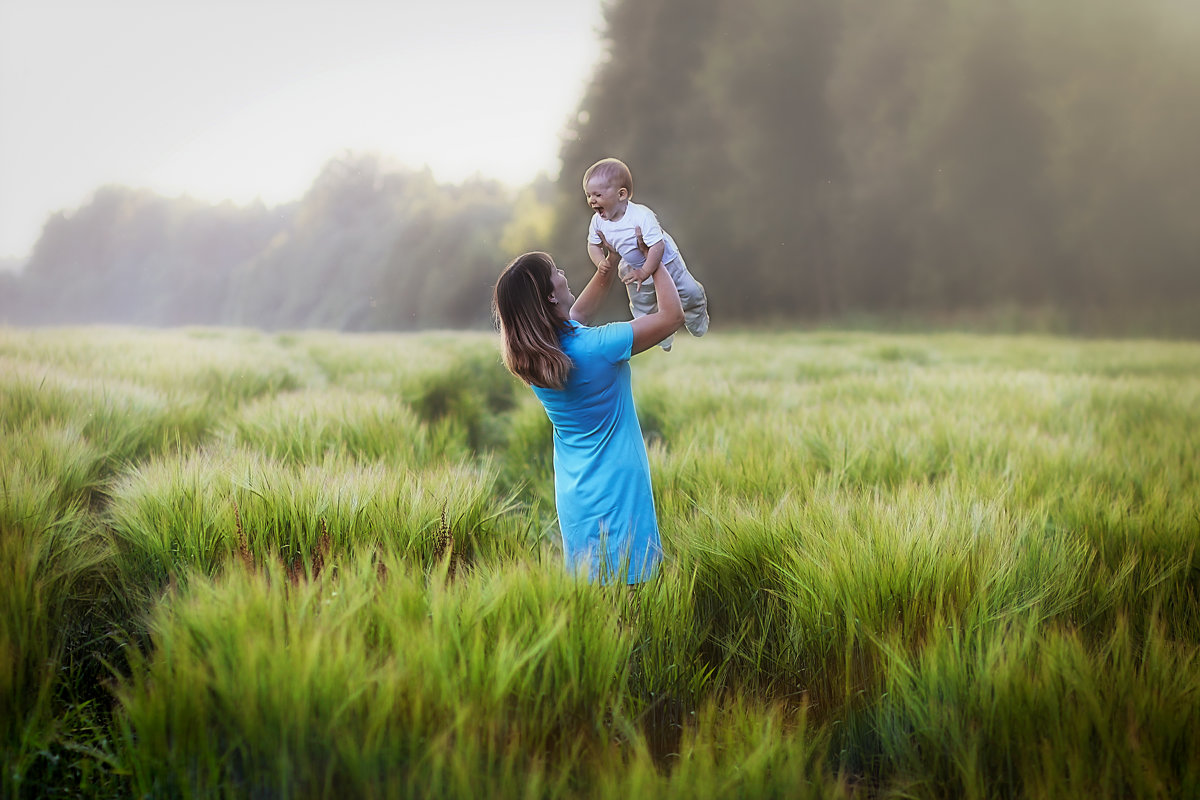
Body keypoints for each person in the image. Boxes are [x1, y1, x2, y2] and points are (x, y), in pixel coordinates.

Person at [492, 233, 684, 584]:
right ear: (550, 295)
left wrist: (607, 267)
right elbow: (671, 317)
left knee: (596, 602)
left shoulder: (539, 356)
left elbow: (575, 314)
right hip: (618, 493)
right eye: (554, 271)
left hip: (576, 495)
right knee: (633, 598)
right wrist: (654, 257)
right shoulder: (598, 347)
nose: (562, 272)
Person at [583, 157, 709, 351]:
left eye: (597, 195)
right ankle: (661, 337)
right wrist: (600, 261)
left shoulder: (641, 216)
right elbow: (593, 244)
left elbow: (657, 247)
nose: (592, 200)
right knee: (642, 307)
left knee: (689, 292)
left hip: (666, 262)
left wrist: (646, 271)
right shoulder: (597, 221)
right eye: (589, 195)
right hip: (632, 266)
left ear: (621, 194)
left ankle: (696, 320)